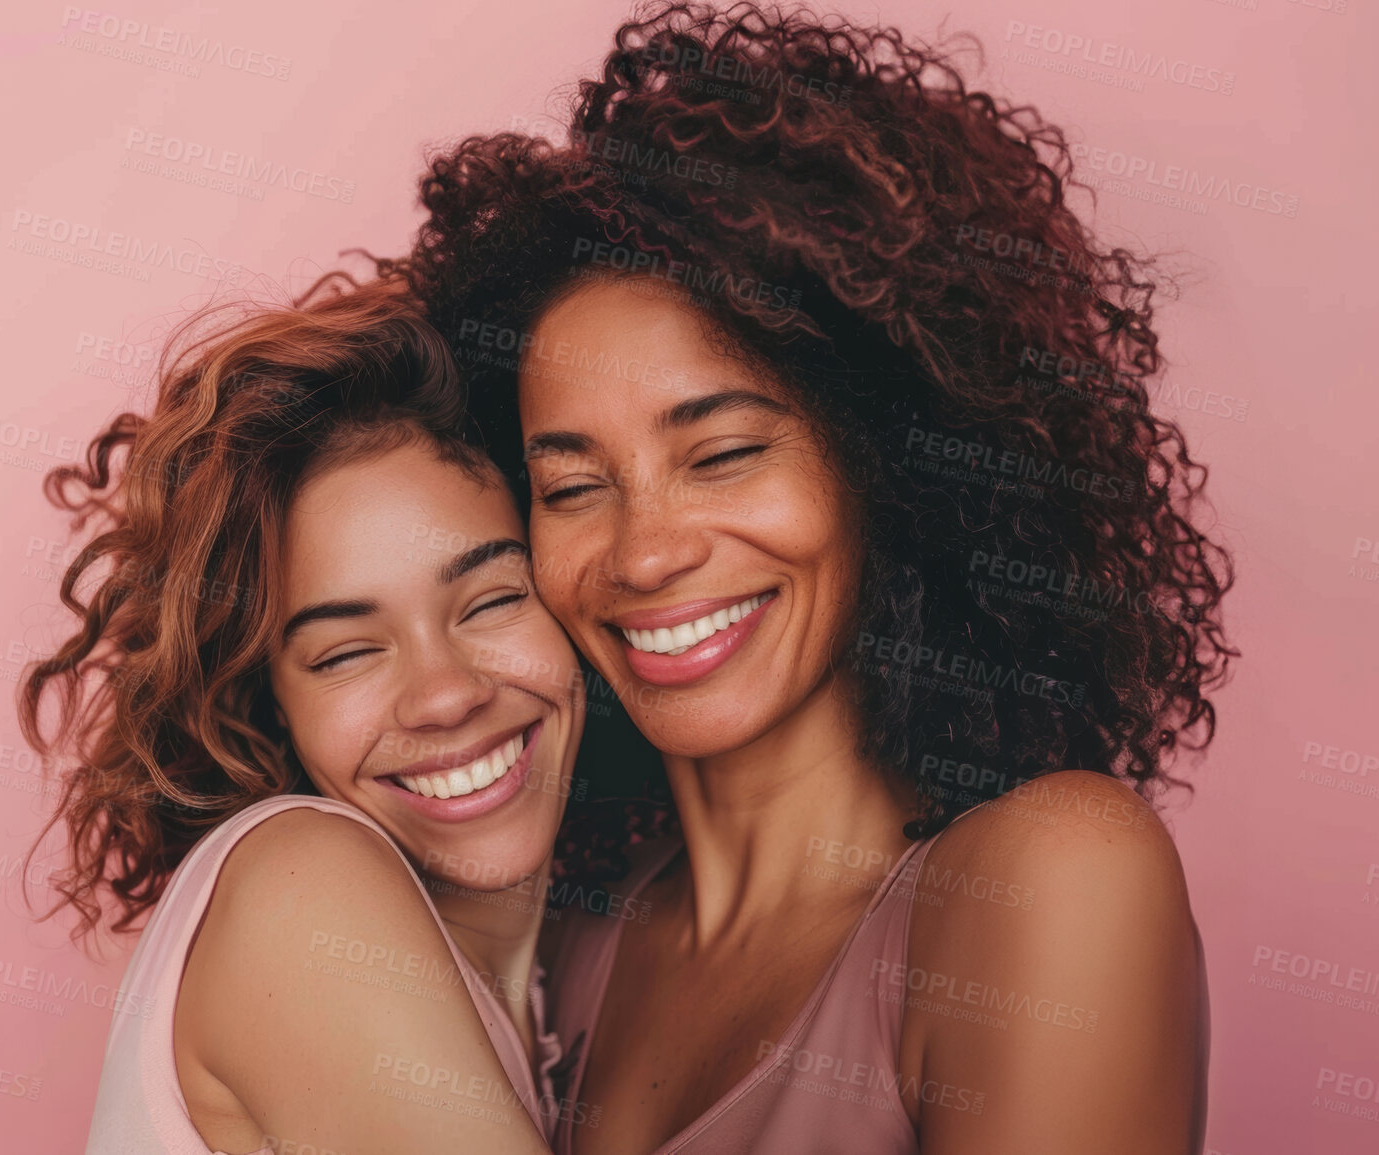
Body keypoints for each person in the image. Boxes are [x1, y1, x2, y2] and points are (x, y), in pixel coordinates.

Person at [397, 3, 1237, 1152]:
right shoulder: (568, 944)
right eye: (572, 485)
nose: (644, 553)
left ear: (882, 471)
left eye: (724, 454)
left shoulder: (1045, 884)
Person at [18, 278, 579, 1155]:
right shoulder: (305, 883)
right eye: (346, 652)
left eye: (490, 600)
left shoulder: (556, 991)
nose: (446, 693)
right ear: (269, 708)